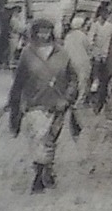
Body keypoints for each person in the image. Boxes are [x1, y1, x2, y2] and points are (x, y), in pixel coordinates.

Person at [8, 18, 81, 193]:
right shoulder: (27, 54)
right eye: (40, 31)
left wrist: (68, 97)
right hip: (34, 104)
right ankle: (39, 175)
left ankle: (46, 169)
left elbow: (73, 79)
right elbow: (19, 81)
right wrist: (15, 103)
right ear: (34, 32)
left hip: (57, 105)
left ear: (52, 33)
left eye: (47, 31)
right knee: (38, 138)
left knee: (50, 140)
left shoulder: (62, 54)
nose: (43, 35)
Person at [60, 10, 92, 137]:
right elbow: (89, 49)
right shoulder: (83, 36)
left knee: (73, 83)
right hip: (82, 63)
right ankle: (79, 103)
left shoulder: (68, 36)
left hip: (70, 63)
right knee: (83, 84)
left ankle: (73, 101)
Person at [85, 1, 112, 113]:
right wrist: (94, 53)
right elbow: (90, 41)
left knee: (106, 81)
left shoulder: (111, 26)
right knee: (96, 80)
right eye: (105, 12)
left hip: (108, 57)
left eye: (108, 12)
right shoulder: (95, 25)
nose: (106, 14)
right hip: (97, 57)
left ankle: (106, 103)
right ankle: (95, 103)